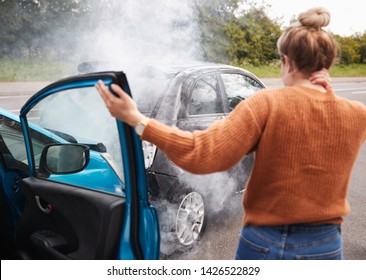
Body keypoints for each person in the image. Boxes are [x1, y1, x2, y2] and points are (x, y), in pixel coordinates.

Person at [96, 7, 366, 260]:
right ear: (327, 65)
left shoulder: (266, 104)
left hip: (266, 242)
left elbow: (204, 155)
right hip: (327, 246)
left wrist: (137, 120)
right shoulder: (357, 114)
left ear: (287, 62)